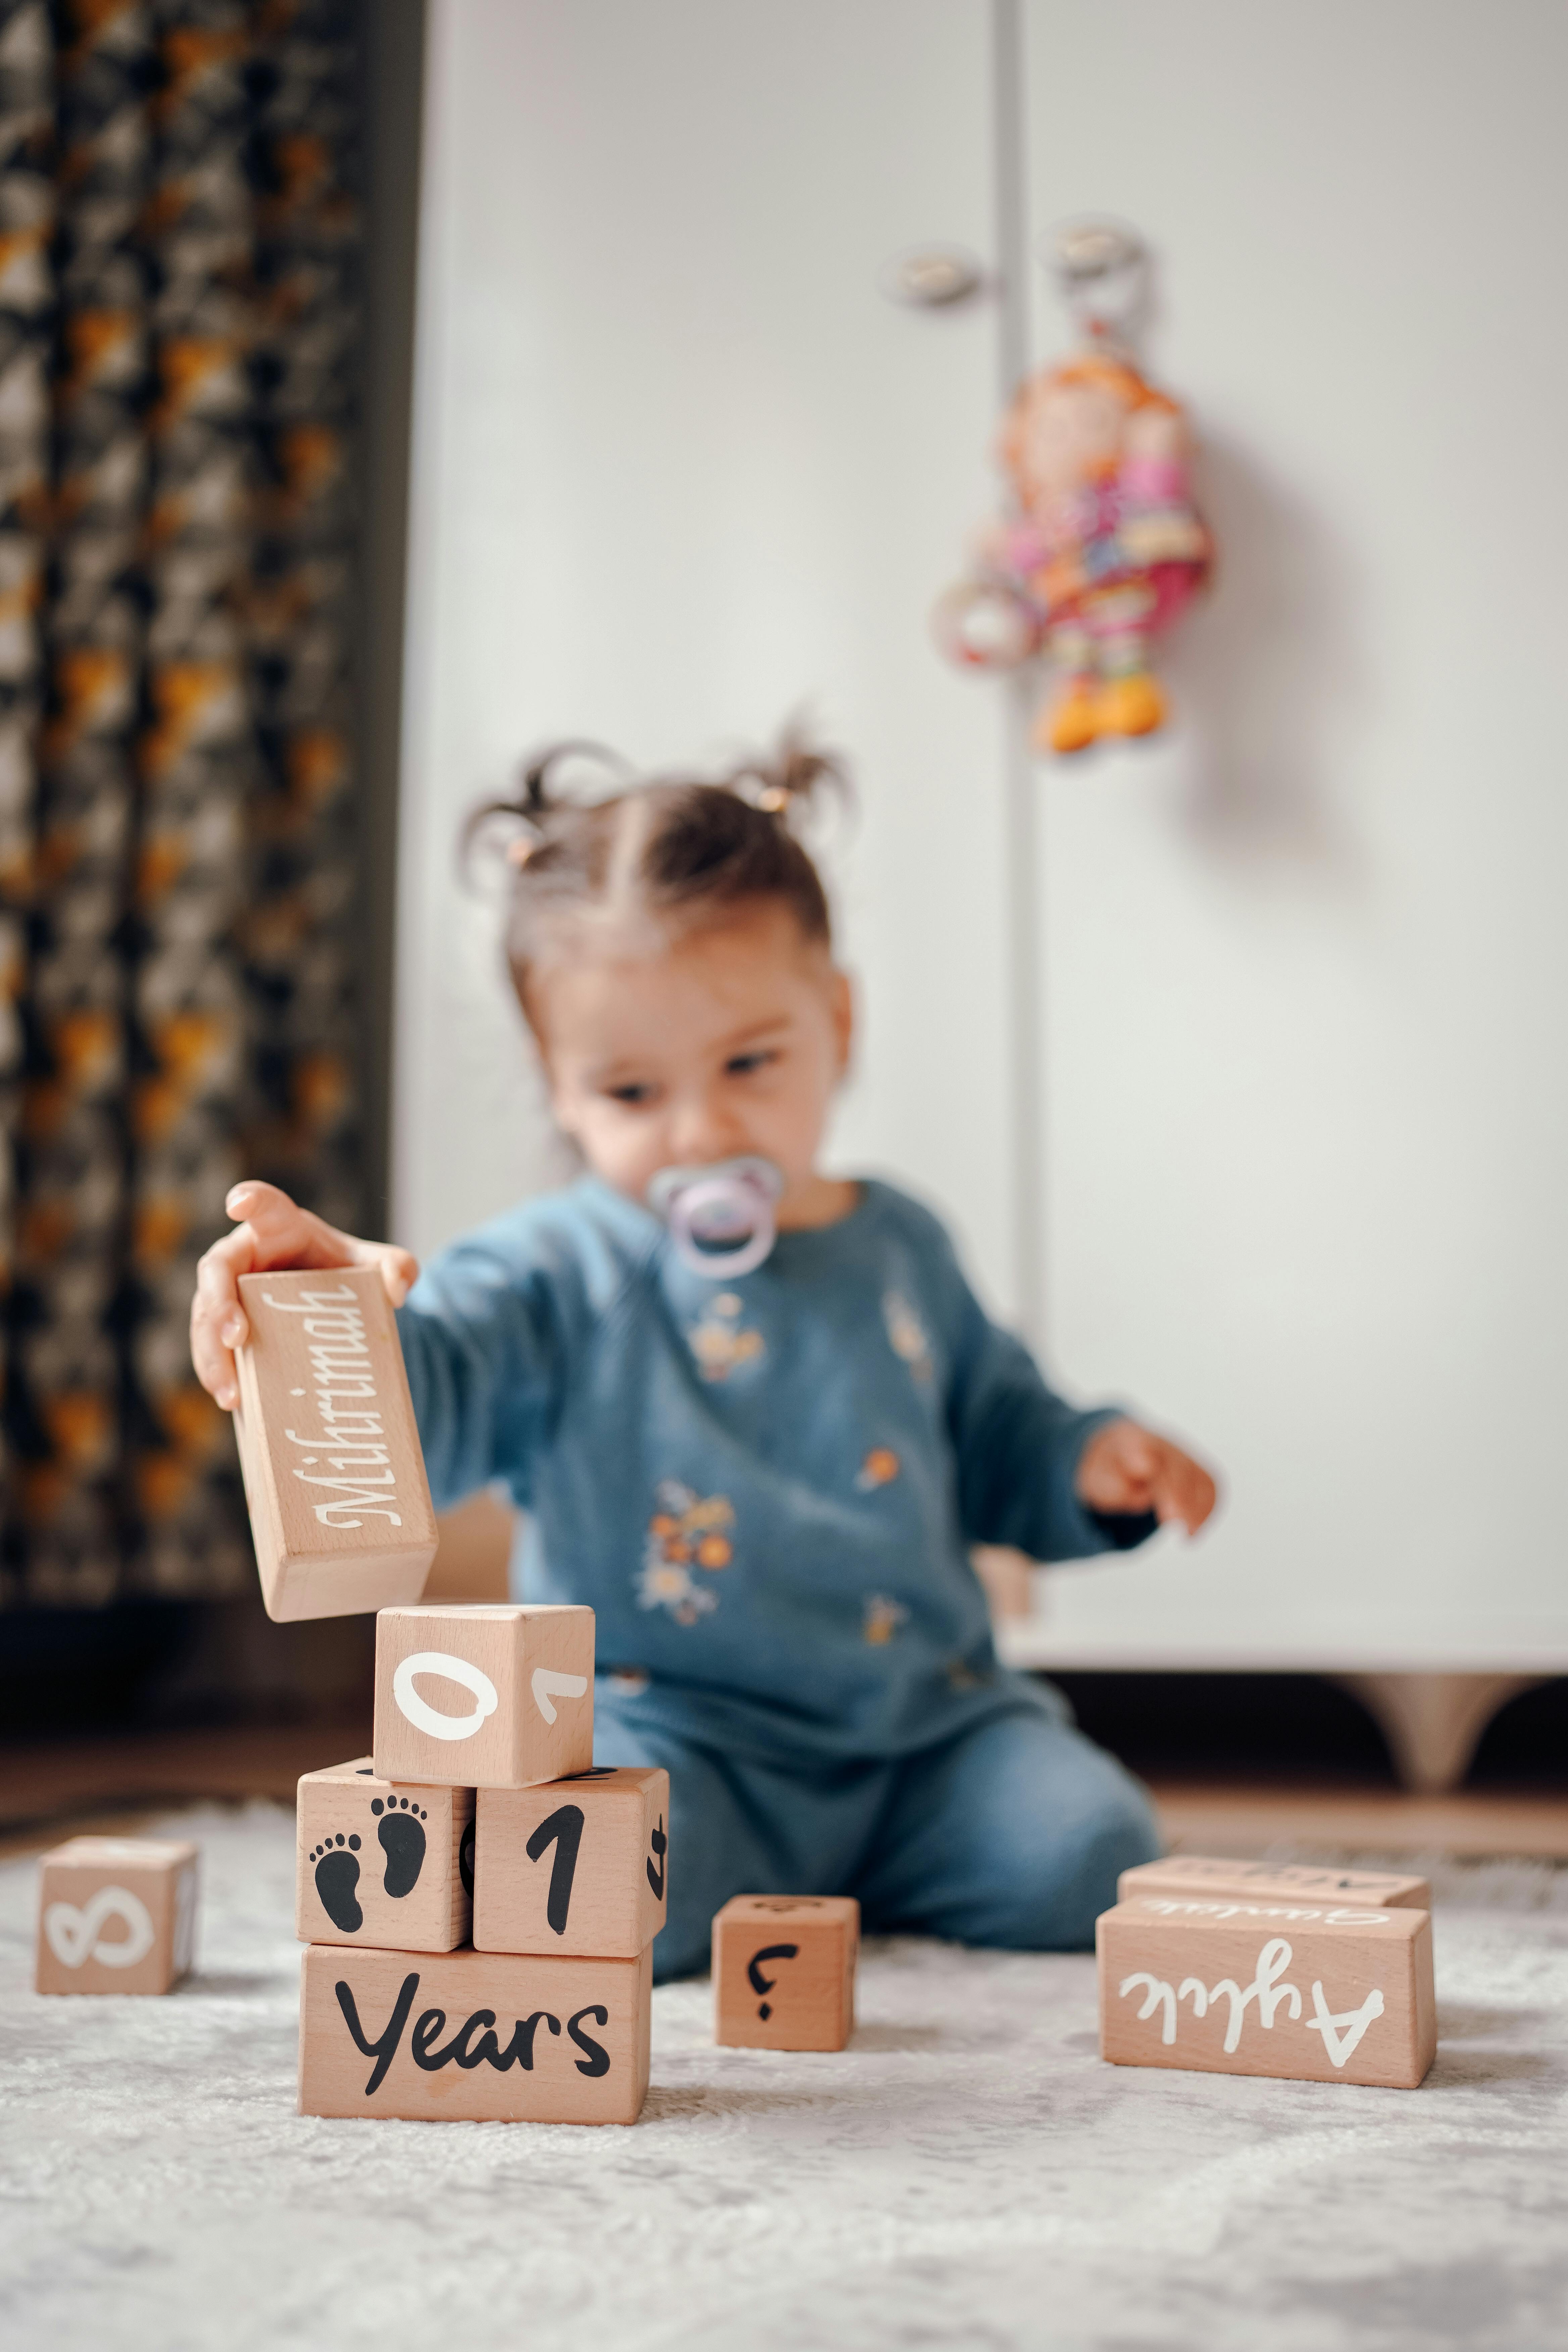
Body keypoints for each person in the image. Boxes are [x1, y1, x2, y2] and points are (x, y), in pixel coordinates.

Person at [190, 735, 1218, 1980]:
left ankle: (864, 1873)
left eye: (750, 1064)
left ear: (836, 1021)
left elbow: (1001, 1430)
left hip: (927, 1737)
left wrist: (1089, 1459)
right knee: (607, 1899)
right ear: (559, 1092)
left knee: (1090, 1854)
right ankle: (745, 1884)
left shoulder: (900, 1244)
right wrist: (335, 1322)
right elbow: (435, 1396)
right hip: (675, 1733)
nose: (702, 1130)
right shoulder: (550, 1268)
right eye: (631, 1092)